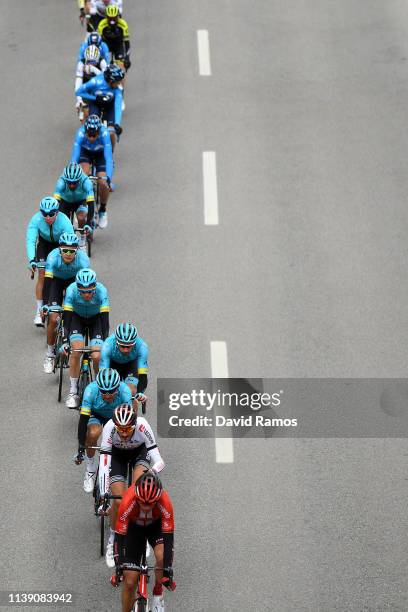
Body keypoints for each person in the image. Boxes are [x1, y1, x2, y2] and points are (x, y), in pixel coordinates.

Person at [98, 403, 165, 568]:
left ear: (135, 425)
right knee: (119, 501)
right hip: (117, 455)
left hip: (139, 453)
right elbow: (105, 463)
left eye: (128, 429)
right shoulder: (109, 427)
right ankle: (113, 538)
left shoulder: (142, 425)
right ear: (115, 426)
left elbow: (160, 462)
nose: (124, 433)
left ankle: (142, 536)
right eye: (121, 430)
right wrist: (104, 492)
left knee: (139, 494)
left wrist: (150, 474)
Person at [114, 471, 176, 612]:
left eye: (151, 503)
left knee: (161, 556)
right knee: (129, 581)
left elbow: (169, 540)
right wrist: (119, 566)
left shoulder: (165, 502)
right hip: (133, 529)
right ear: (137, 496)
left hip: (156, 527)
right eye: (142, 502)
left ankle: (158, 594)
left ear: (158, 498)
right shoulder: (128, 501)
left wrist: (167, 569)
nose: (146, 506)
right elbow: (119, 538)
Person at [74, 369, 132, 492]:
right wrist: (80, 448)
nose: (107, 395)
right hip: (95, 414)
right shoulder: (90, 391)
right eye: (103, 392)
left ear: (117, 387)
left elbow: (130, 419)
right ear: (98, 388)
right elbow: (83, 420)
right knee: (93, 433)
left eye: (111, 391)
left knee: (119, 438)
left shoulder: (125, 391)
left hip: (115, 415)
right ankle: (90, 469)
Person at [42, 233, 90, 373]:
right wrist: (45, 304)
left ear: (77, 251)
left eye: (72, 251)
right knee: (53, 317)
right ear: (59, 250)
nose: (68, 254)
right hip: (56, 282)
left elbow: (85, 285)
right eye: (65, 251)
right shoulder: (52, 257)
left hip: (74, 282)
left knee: (74, 312)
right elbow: (48, 282)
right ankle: (50, 354)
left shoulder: (83, 261)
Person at [62, 268, 110, 407]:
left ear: (95, 287)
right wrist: (65, 341)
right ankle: (73, 391)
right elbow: (67, 318)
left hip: (96, 320)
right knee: (76, 351)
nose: (87, 294)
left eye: (90, 291)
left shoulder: (102, 291)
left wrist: (105, 342)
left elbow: (105, 321)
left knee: (97, 356)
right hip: (77, 318)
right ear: (78, 288)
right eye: (83, 291)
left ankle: (98, 388)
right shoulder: (71, 290)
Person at [26, 197, 73, 327]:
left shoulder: (65, 221)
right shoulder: (36, 219)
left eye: (51, 214)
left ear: (57, 212)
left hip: (60, 245)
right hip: (44, 245)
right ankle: (39, 309)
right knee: (42, 274)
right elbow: (31, 240)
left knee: (60, 272)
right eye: (44, 214)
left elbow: (70, 244)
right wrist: (32, 260)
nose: (47, 217)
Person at [71, 114, 112, 228]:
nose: (92, 138)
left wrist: (108, 177)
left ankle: (102, 210)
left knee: (103, 183)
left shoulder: (105, 134)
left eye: (94, 135)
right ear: (86, 131)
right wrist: (73, 173)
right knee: (82, 176)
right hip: (86, 153)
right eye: (89, 134)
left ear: (99, 131)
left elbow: (108, 158)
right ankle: (81, 206)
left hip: (100, 154)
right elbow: (74, 157)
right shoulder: (80, 133)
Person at [75, 64, 124, 151]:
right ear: (111, 80)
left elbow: (118, 106)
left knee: (111, 133)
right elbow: (79, 92)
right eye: (117, 81)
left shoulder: (117, 89)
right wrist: (95, 98)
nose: (119, 83)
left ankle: (110, 154)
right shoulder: (95, 81)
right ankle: (89, 150)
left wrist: (117, 123)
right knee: (92, 128)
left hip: (109, 107)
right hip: (96, 104)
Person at [100, 323, 148, 405]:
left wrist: (139, 393)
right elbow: (103, 374)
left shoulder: (142, 347)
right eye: (122, 346)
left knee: (131, 392)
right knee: (110, 389)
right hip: (113, 364)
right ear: (117, 342)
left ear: (134, 343)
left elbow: (143, 376)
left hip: (130, 364)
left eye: (129, 346)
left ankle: (132, 416)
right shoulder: (107, 345)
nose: (125, 350)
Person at [53, 162, 94, 246]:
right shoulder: (61, 183)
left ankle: (83, 236)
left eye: (75, 183)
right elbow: (55, 203)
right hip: (65, 201)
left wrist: (88, 223)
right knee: (63, 222)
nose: (72, 185)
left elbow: (91, 205)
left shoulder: (86, 182)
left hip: (80, 201)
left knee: (81, 218)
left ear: (80, 179)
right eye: (69, 182)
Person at [75, 45, 108, 117]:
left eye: (93, 62)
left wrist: (94, 69)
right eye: (88, 62)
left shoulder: (102, 62)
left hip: (99, 87)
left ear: (98, 59)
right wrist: (79, 99)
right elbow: (78, 82)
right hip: (86, 86)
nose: (90, 64)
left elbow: (105, 80)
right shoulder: (81, 64)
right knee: (81, 109)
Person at [98, 5, 130, 69]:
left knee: (121, 69)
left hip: (118, 45)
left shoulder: (123, 24)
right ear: (106, 17)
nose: (112, 21)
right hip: (106, 45)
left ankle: (120, 78)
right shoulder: (101, 24)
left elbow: (126, 43)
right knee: (103, 65)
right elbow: (99, 43)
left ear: (118, 17)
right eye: (110, 18)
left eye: (114, 18)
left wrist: (127, 58)